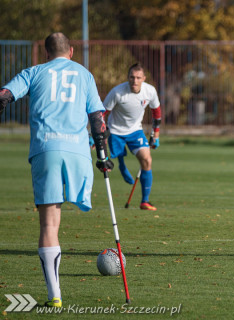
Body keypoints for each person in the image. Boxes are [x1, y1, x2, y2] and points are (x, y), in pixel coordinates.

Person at [0, 32, 113, 307]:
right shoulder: (85, 74)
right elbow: (98, 120)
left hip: (47, 150)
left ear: (46, 52)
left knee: (49, 224)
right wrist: (102, 156)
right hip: (78, 153)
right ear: (71, 51)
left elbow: (4, 96)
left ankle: (55, 295)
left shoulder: (34, 71)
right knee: (62, 213)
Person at [103, 63, 162, 211]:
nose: (134, 81)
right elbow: (102, 113)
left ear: (144, 78)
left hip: (135, 131)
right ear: (127, 77)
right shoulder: (117, 92)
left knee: (147, 159)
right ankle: (122, 166)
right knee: (120, 156)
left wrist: (156, 135)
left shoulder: (150, 91)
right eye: (131, 77)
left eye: (138, 78)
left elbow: (157, 113)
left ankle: (145, 201)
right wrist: (96, 134)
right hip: (116, 130)